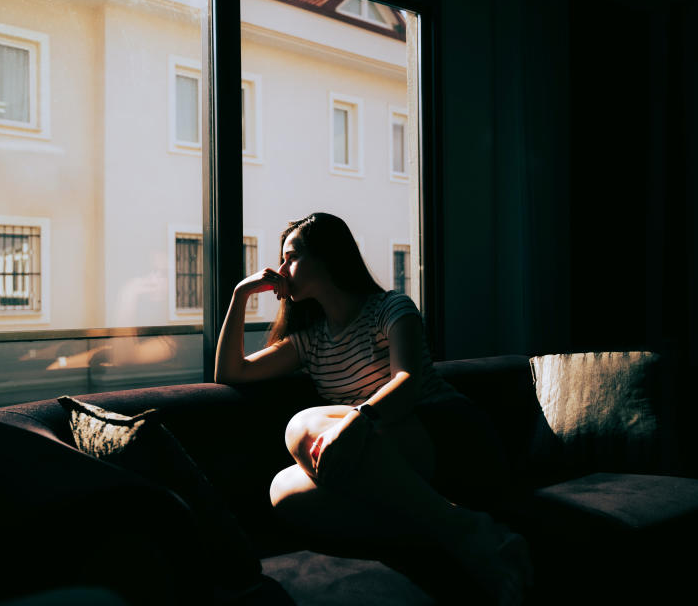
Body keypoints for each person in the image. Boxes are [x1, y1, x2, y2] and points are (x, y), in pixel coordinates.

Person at [214, 212, 532, 604]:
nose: (281, 270)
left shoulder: (391, 307)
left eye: (291, 257)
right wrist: (240, 295)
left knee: (301, 426)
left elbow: (407, 382)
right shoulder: (309, 341)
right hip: (389, 456)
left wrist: (358, 420)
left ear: (328, 257)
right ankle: (454, 531)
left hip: (446, 432)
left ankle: (471, 534)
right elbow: (231, 372)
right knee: (284, 491)